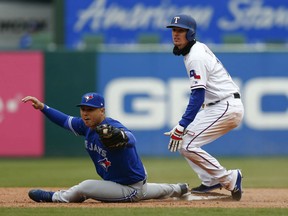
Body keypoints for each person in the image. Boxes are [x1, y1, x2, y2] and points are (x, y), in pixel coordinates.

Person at [22, 93, 188, 203]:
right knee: (150, 191)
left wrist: (122, 137)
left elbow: (131, 138)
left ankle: (56, 197)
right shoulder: (86, 125)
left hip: (129, 186)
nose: (85, 114)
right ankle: (178, 189)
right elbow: (65, 121)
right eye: (83, 109)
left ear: (102, 111)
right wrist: (43, 107)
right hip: (127, 182)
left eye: (91, 110)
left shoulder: (111, 126)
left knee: (85, 187)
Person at [165, 15, 244, 201]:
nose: (176, 34)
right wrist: (182, 128)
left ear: (190, 33)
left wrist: (182, 124)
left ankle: (229, 179)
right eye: (174, 30)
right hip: (219, 105)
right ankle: (210, 180)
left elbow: (198, 94)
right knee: (184, 141)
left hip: (225, 106)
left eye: (181, 30)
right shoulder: (196, 49)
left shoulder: (195, 56)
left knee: (187, 145)